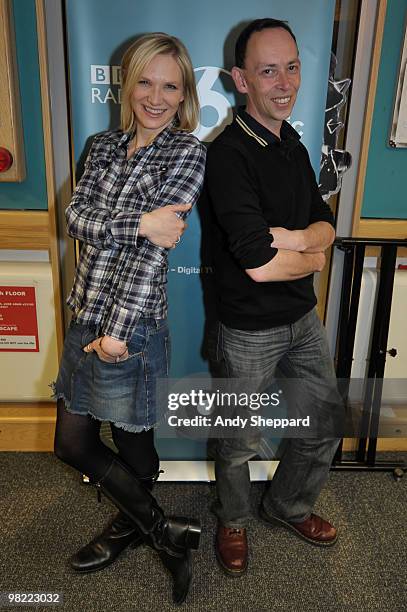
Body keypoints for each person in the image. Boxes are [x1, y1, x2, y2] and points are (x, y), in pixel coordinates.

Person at [53, 32, 206, 604]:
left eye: (171, 85)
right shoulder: (100, 146)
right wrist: (140, 221)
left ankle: (130, 523)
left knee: (131, 437)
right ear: (128, 82)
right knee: (73, 440)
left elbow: (152, 255)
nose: (157, 96)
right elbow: (75, 219)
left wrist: (117, 332)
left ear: (185, 92)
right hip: (85, 311)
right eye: (146, 80)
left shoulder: (188, 152)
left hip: (131, 325)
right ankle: (162, 530)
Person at [203, 18, 343, 576]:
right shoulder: (228, 155)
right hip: (246, 330)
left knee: (323, 425)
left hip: (302, 318)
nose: (283, 82)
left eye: (291, 66)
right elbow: (259, 264)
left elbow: (326, 221)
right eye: (267, 70)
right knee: (240, 443)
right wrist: (313, 255)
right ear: (241, 79)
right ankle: (233, 520)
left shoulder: (293, 144)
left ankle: (287, 505)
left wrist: (305, 240)